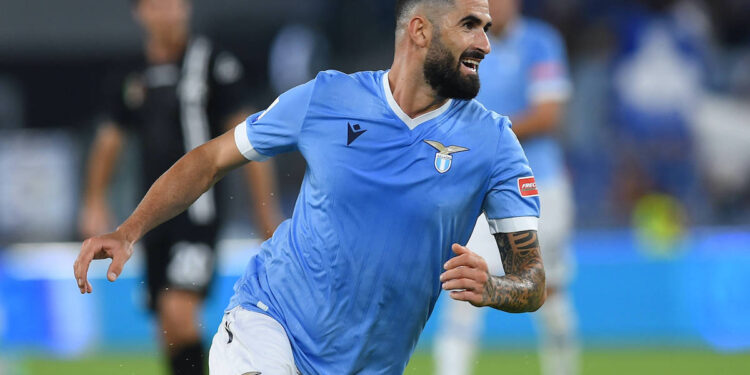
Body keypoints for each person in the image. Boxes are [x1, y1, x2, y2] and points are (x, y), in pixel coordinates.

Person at [74, 0, 547, 373]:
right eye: (470, 24)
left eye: (485, 27)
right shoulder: (327, 98)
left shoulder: (494, 142)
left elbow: (533, 282)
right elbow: (212, 158)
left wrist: (495, 288)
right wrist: (128, 230)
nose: (486, 43)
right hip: (268, 319)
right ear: (419, 31)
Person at [77, 0, 282, 374]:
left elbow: (252, 138)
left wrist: (264, 212)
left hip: (199, 215)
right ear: (140, 13)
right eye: (157, 5)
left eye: (175, 3)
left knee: (179, 311)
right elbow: (109, 140)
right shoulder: (131, 74)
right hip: (152, 219)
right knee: (167, 327)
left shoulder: (215, 65)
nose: (168, 12)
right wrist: (94, 200)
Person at [433, 1, 579, 374]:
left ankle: (562, 368)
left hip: (541, 183)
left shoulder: (540, 42)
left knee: (550, 288)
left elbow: (549, 114)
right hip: (482, 189)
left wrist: (490, 137)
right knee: (462, 281)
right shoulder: (463, 47)